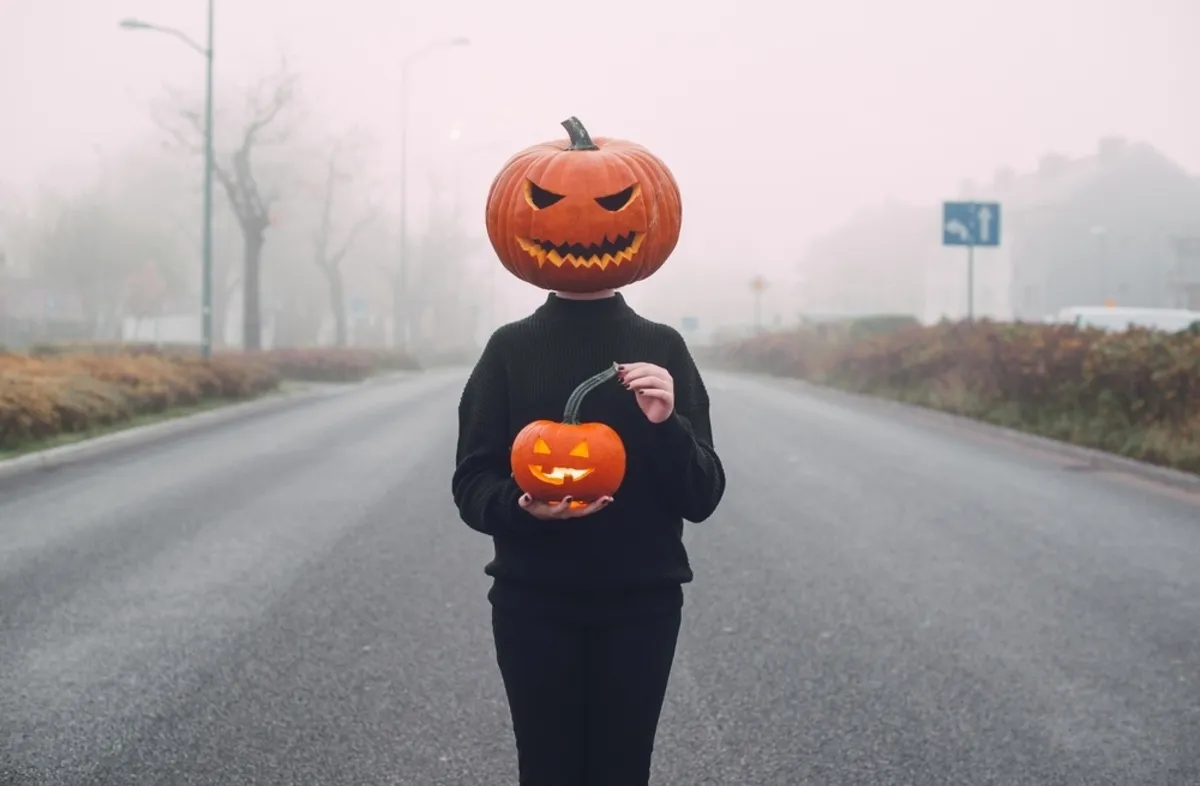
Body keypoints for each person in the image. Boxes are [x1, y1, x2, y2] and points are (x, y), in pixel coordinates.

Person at [451, 286, 726, 786]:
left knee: (623, 772)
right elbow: (471, 481)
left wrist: (667, 425)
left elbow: (702, 496)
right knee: (546, 771)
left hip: (642, 607)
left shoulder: (662, 348)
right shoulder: (510, 348)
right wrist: (520, 506)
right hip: (532, 604)